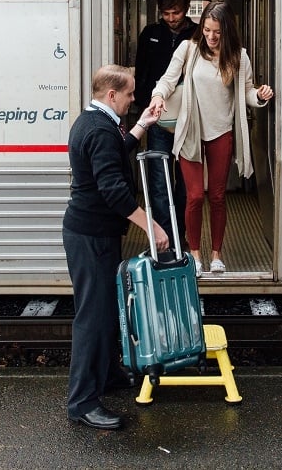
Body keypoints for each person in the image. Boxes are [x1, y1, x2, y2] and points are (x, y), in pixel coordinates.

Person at [63, 64, 168, 430]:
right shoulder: (100, 130)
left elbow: (115, 152)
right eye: (129, 95)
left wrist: (143, 126)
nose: (133, 100)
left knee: (106, 311)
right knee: (92, 319)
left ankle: (107, 376)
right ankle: (82, 402)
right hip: (90, 236)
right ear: (112, 96)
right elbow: (113, 190)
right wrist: (151, 226)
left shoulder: (93, 122)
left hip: (93, 233)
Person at [147, 1, 274, 277]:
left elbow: (247, 93)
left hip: (221, 132)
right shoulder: (188, 49)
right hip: (190, 130)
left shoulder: (239, 57)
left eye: (217, 32)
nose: (211, 37)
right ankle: (194, 255)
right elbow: (168, 80)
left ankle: (216, 254)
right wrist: (158, 97)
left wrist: (260, 96)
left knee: (217, 197)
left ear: (227, 30)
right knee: (194, 197)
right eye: (206, 30)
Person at [133, 0, 198, 256]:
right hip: (157, 118)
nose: (171, 19)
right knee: (158, 183)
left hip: (188, 119)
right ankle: (164, 239)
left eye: (176, 13)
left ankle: (180, 237)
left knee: (184, 185)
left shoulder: (197, 35)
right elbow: (142, 72)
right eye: (166, 13)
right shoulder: (150, 33)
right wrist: (142, 111)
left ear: (185, 10)